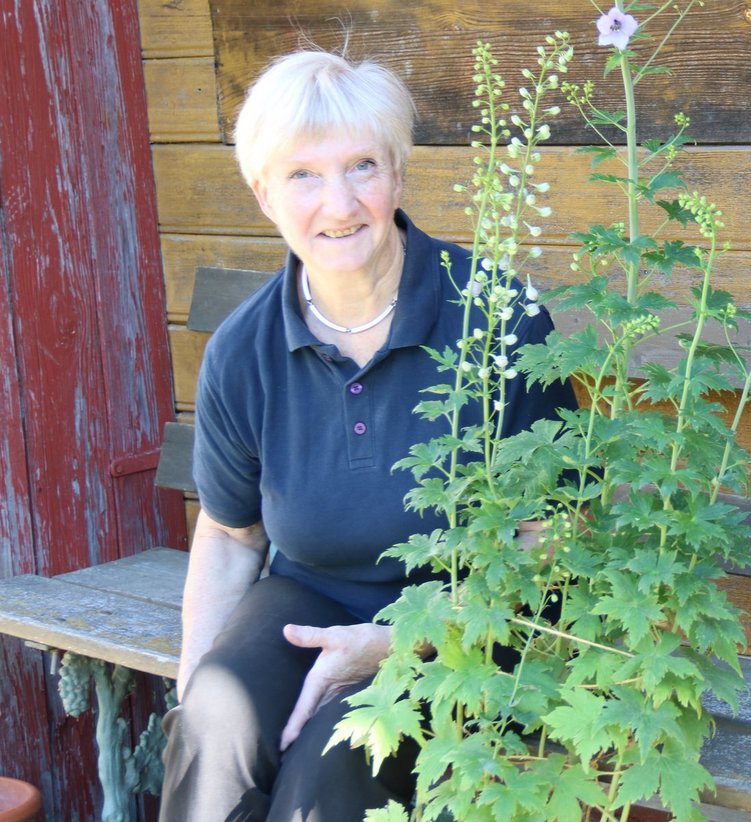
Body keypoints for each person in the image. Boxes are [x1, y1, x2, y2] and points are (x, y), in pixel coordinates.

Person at [159, 50, 578, 821]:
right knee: (212, 729)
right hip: (305, 598)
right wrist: (196, 685)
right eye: (302, 175)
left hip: (464, 618)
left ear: (398, 173)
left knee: (334, 766)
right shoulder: (244, 349)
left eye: (361, 166)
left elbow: (547, 536)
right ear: (263, 193)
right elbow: (228, 537)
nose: (338, 202)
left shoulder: (496, 317)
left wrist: (396, 641)